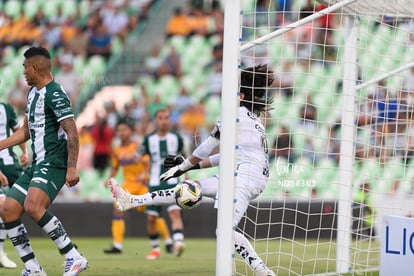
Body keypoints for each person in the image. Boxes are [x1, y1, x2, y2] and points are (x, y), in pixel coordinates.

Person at [109, 65, 276, 275]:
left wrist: (184, 165)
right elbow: (223, 156)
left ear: (241, 96)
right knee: (191, 187)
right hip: (244, 174)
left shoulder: (236, 114)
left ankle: (264, 272)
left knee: (224, 231)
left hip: (244, 177)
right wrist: (191, 168)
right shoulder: (252, 121)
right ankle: (132, 200)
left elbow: (207, 147)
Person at [0, 46, 87, 276]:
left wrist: (72, 167)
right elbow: (25, 132)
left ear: (35, 68)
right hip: (38, 163)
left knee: (32, 206)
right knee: (8, 210)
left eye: (25, 68)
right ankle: (33, 268)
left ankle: (73, 256)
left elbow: (72, 132)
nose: (23, 73)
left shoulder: (55, 93)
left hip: (55, 161)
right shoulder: (33, 94)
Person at [103, 120, 173, 254]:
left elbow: (150, 163)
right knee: (118, 210)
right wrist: (108, 178)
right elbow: (115, 167)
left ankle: (168, 241)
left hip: (142, 185)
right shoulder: (117, 149)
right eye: (119, 130)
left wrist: (144, 173)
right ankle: (117, 245)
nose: (121, 133)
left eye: (124, 130)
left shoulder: (138, 147)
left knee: (153, 214)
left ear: (130, 131)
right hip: (128, 185)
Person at [137, 108, 186, 260]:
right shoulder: (148, 139)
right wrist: (142, 170)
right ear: (155, 120)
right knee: (151, 218)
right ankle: (155, 249)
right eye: (160, 118)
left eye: (166, 118)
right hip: (154, 182)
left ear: (170, 120)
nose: (164, 121)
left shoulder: (176, 138)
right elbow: (138, 156)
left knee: (174, 213)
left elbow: (184, 158)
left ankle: (178, 243)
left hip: (172, 182)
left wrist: (187, 177)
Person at [0, 101, 30, 269]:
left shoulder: (6, 108)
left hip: (11, 165)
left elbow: (18, 131)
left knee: (22, 205)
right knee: (4, 205)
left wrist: (25, 152)